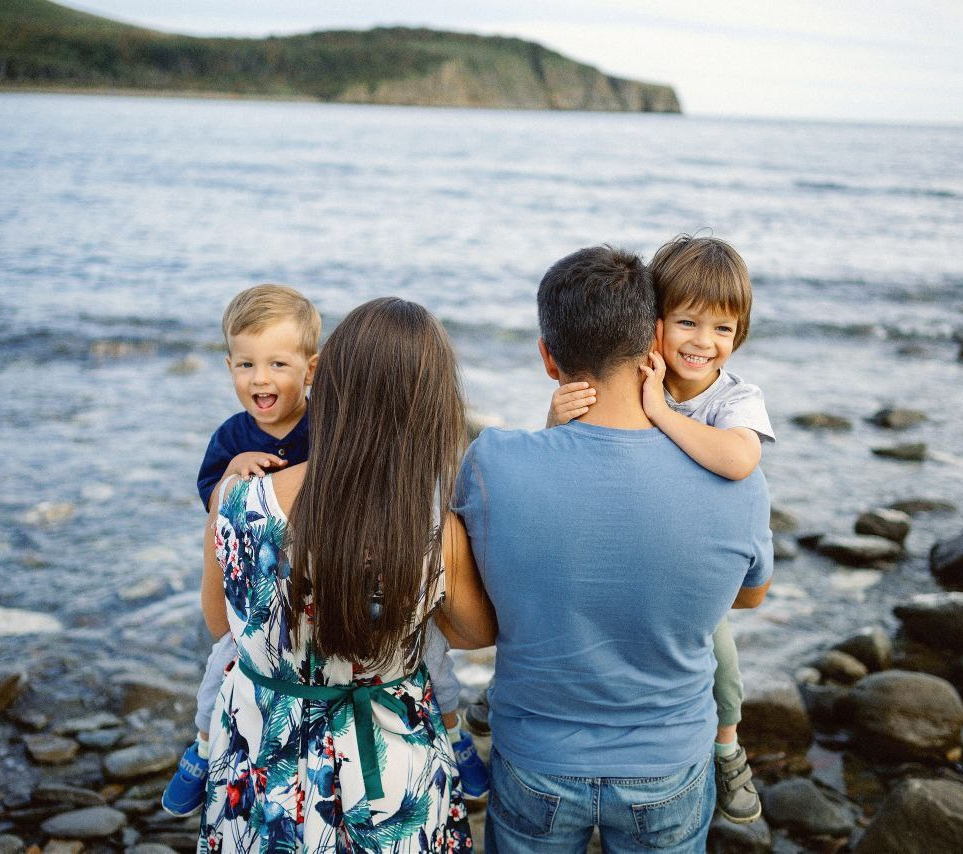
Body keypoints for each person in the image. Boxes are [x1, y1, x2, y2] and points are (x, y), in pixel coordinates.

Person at [454, 246, 773, 851]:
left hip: (537, 756)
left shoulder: (493, 461)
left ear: (549, 359)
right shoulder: (740, 479)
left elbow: (480, 607)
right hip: (669, 762)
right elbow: (750, 596)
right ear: (651, 340)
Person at [163, 285, 487, 816]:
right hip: (392, 777)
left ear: (319, 375)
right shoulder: (427, 516)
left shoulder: (236, 496)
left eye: (276, 364)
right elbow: (475, 633)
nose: (260, 378)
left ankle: (202, 754)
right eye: (245, 364)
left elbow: (221, 623)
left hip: (267, 765)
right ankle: (455, 739)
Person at [545, 234, 773, 824]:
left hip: (686, 565)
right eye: (688, 323)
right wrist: (556, 417)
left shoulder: (734, 399)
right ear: (653, 325)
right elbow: (563, 459)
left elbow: (740, 461)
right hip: (616, 540)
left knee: (720, 655)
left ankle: (726, 748)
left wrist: (663, 416)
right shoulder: (633, 377)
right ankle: (507, 696)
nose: (704, 343)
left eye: (724, 330)